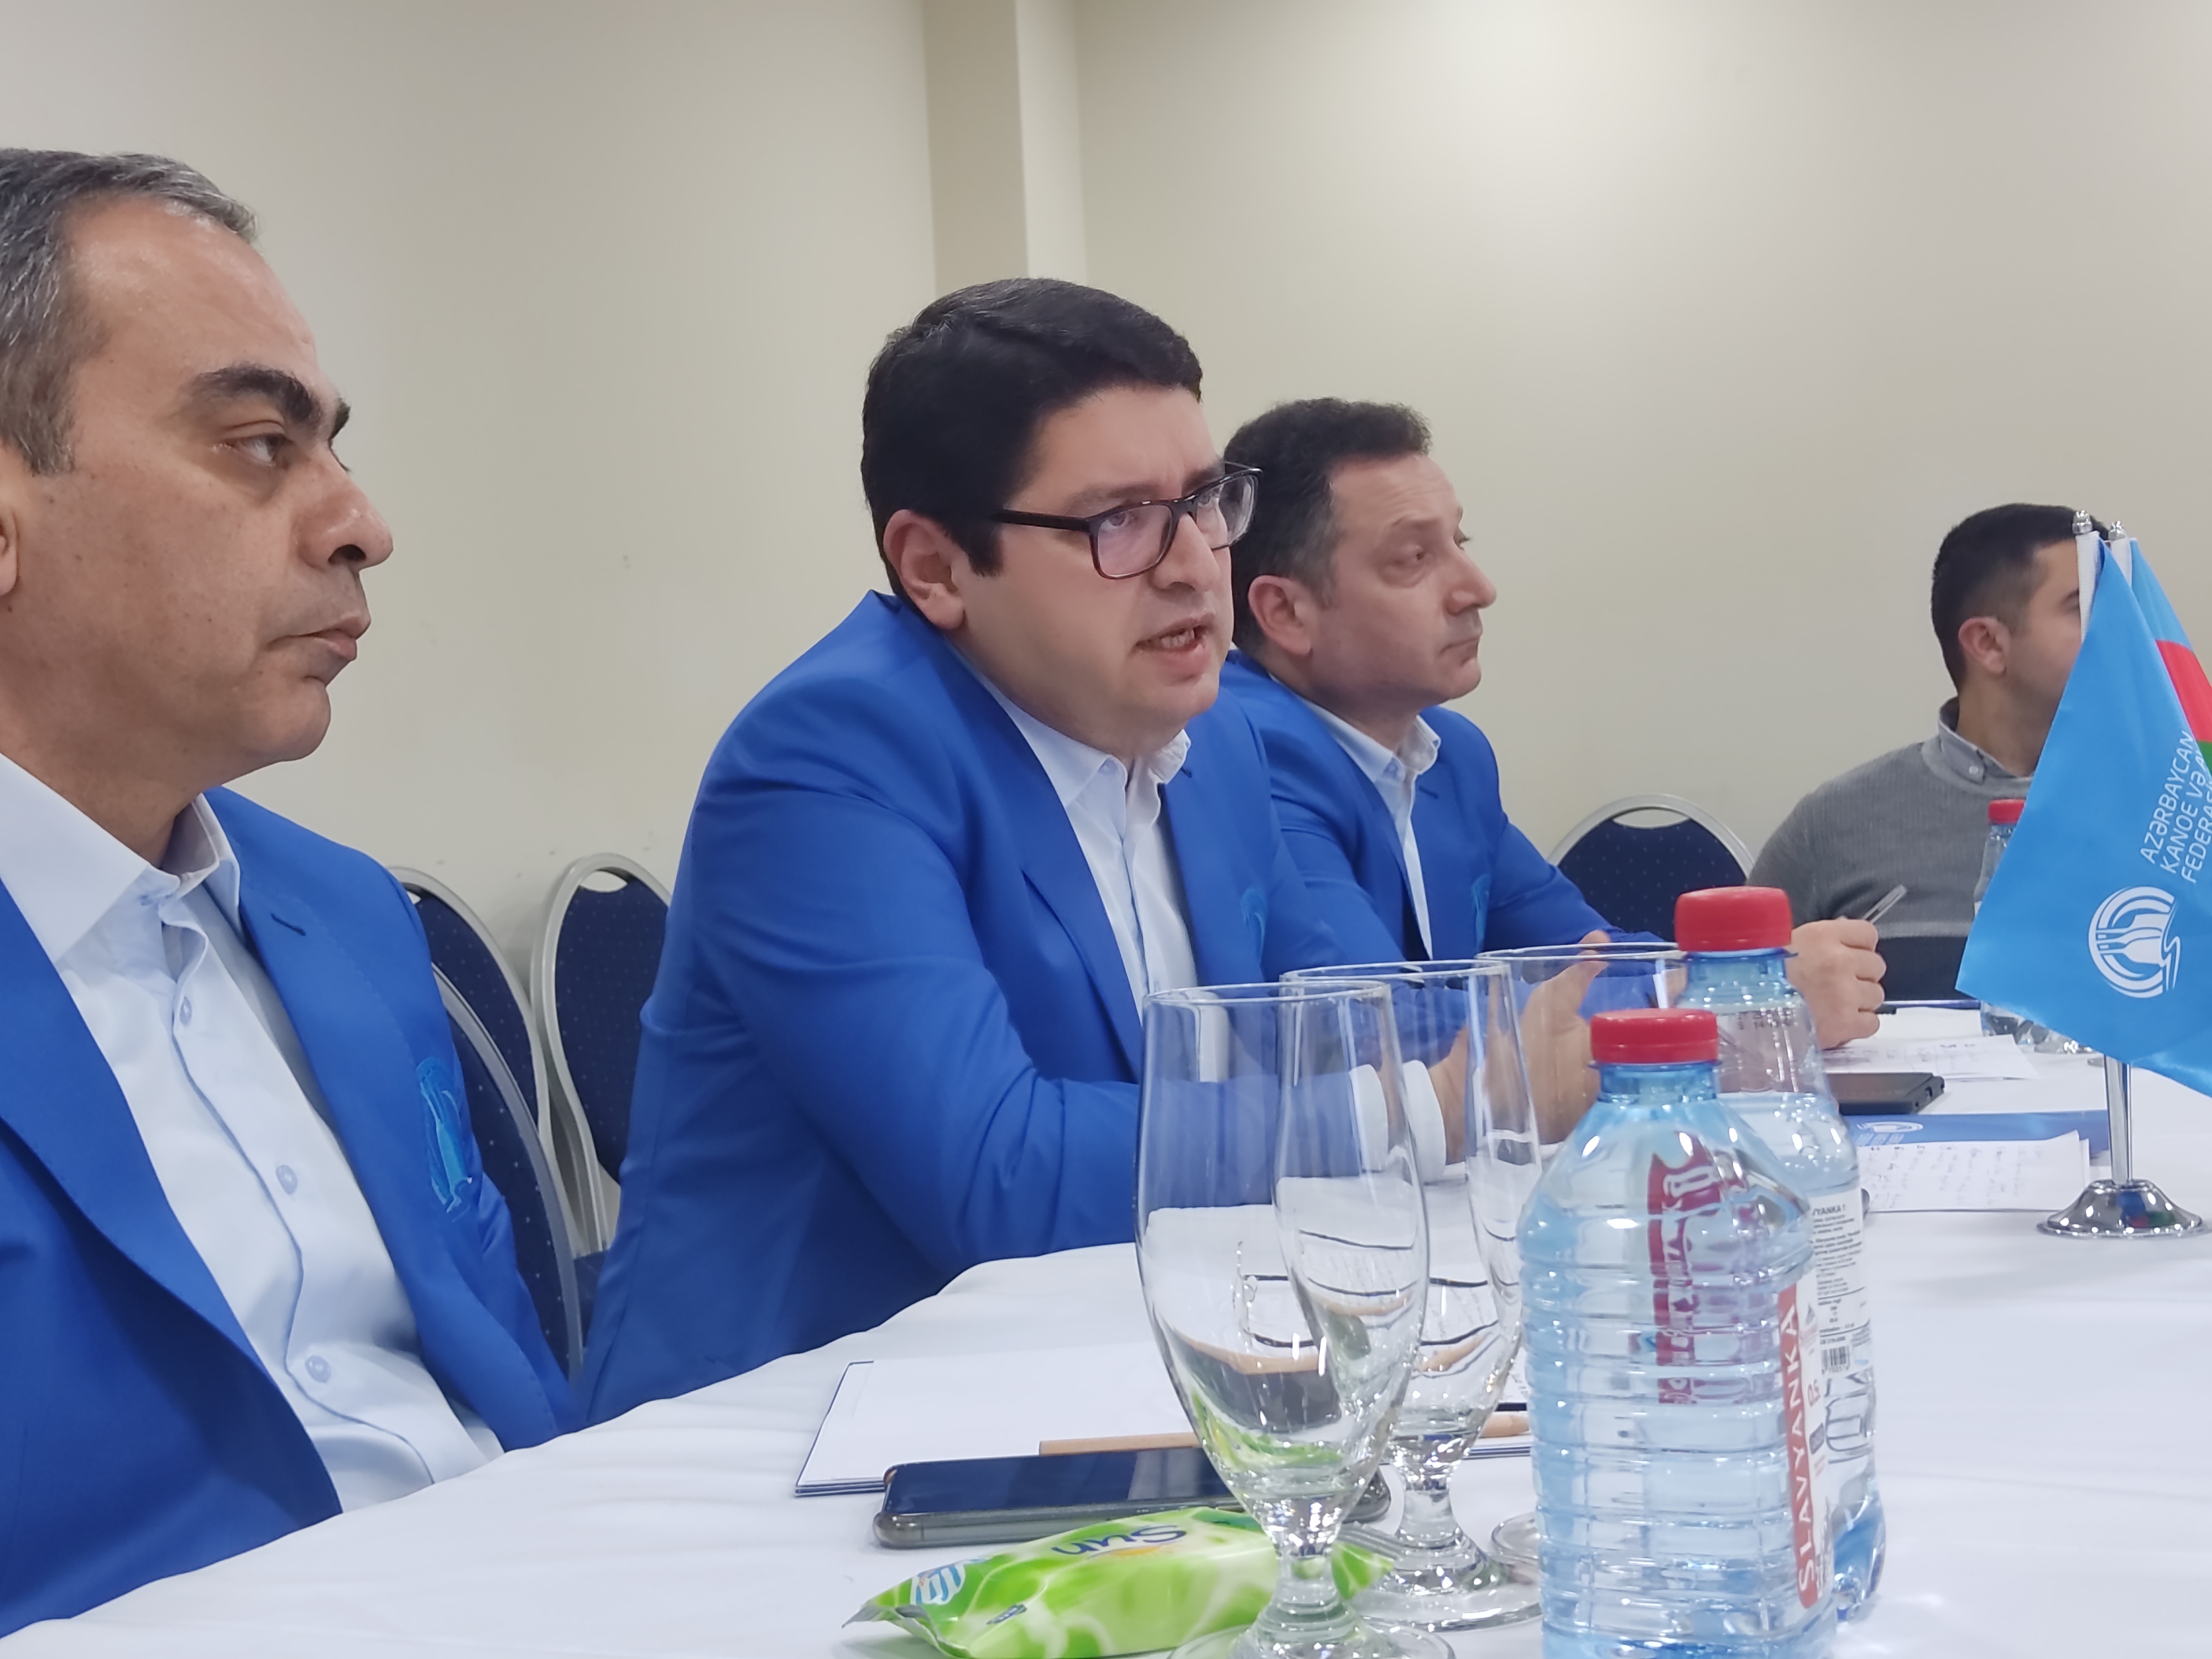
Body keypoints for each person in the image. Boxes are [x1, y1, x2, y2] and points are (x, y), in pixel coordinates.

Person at [582, 279, 1341, 1418]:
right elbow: (1001, 1177)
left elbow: (1333, 1022)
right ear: (935, 568)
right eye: (1120, 521)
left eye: (1204, 501)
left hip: (1117, 1378)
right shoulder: (831, 756)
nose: (1193, 564)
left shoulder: (1218, 738)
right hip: (797, 1430)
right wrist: (1403, 1113)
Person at [0, 151, 575, 1634]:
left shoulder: (346, 916)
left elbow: (507, 1383)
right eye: (261, 444)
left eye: (330, 448)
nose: (361, 524)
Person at [1220, 398, 1885, 1046]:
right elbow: (1377, 1027)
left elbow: (1586, 955)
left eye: (1460, 542)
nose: (1477, 588)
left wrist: (1730, 975)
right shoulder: (1245, 752)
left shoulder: (1451, 754)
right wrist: (1738, 995)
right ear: (1286, 613)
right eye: (1413, 559)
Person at [1752, 503, 2095, 1000]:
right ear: (1988, 644)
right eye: (2085, 608)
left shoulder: (2178, 812)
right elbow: (1730, 1005)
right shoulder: (1836, 823)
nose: (2123, 635)